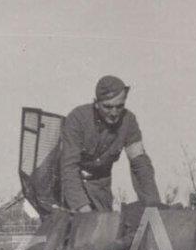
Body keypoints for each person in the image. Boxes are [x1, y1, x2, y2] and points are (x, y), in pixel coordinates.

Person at [32, 75, 161, 213]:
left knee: (105, 228)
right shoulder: (77, 119)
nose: (114, 113)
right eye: (108, 107)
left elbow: (140, 164)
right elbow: (69, 167)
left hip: (99, 186)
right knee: (68, 227)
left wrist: (153, 205)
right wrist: (82, 207)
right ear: (96, 103)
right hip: (61, 185)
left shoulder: (128, 121)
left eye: (119, 106)